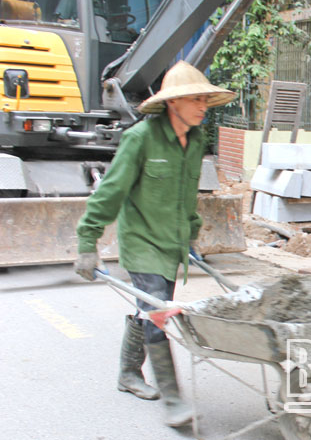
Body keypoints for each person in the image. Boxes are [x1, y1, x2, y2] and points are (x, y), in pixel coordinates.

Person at [74, 61, 236, 428]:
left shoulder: (195, 141)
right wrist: (88, 242)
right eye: (195, 99)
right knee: (160, 312)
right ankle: (174, 401)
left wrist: (191, 234)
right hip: (142, 241)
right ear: (172, 103)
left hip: (171, 244)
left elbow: (188, 193)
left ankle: (127, 374)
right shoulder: (140, 139)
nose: (202, 106)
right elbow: (110, 192)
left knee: (148, 309)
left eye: (205, 100)